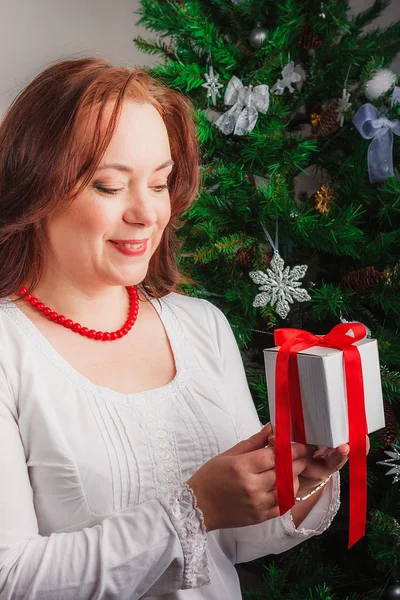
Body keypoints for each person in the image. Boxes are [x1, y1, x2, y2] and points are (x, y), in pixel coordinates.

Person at [0, 56, 352, 600]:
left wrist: (299, 480)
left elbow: (232, 544)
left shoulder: (200, 326)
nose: (148, 213)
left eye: (160, 182)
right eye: (110, 186)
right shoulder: (8, 349)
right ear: (35, 188)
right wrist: (194, 508)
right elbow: (12, 580)